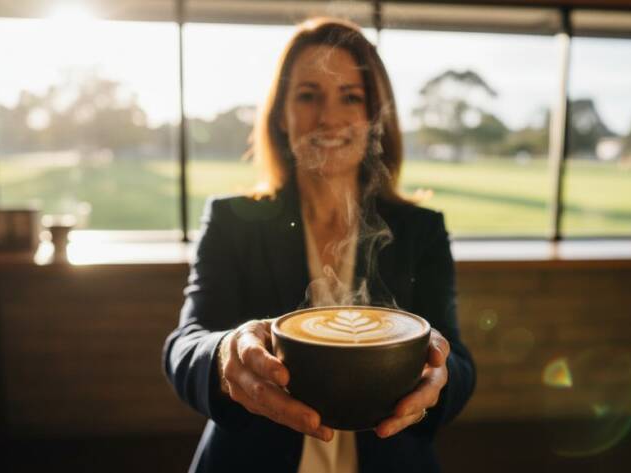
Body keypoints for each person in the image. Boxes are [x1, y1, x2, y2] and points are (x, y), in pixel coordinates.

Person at [163, 17, 475, 473]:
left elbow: (459, 365)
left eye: (350, 97)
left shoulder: (420, 230)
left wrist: (440, 376)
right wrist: (226, 353)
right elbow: (184, 346)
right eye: (308, 96)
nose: (328, 118)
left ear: (375, 117)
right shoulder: (233, 221)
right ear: (280, 116)